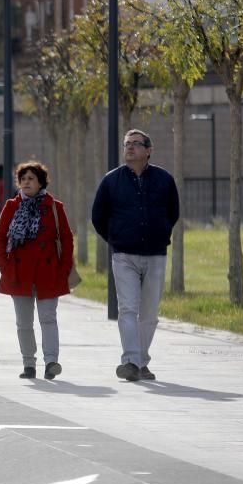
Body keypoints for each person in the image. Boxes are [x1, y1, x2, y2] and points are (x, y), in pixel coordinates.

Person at [91, 129, 180, 382]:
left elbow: (173, 213)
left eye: (135, 144)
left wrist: (160, 234)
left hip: (155, 254)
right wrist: (117, 239)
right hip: (124, 256)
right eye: (126, 144)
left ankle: (141, 361)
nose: (130, 148)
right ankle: (130, 361)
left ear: (148, 150)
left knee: (149, 313)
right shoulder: (111, 181)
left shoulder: (164, 180)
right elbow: (98, 216)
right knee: (128, 309)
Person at [0, 161, 74, 380]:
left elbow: (66, 239)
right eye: (23, 179)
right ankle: (28, 363)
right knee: (24, 322)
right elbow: (1, 238)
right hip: (18, 273)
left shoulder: (54, 207)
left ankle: (51, 362)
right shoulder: (11, 206)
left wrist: (64, 268)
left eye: (31, 178)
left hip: (48, 272)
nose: (26, 182)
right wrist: (3, 265)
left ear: (41, 182)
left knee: (48, 318)